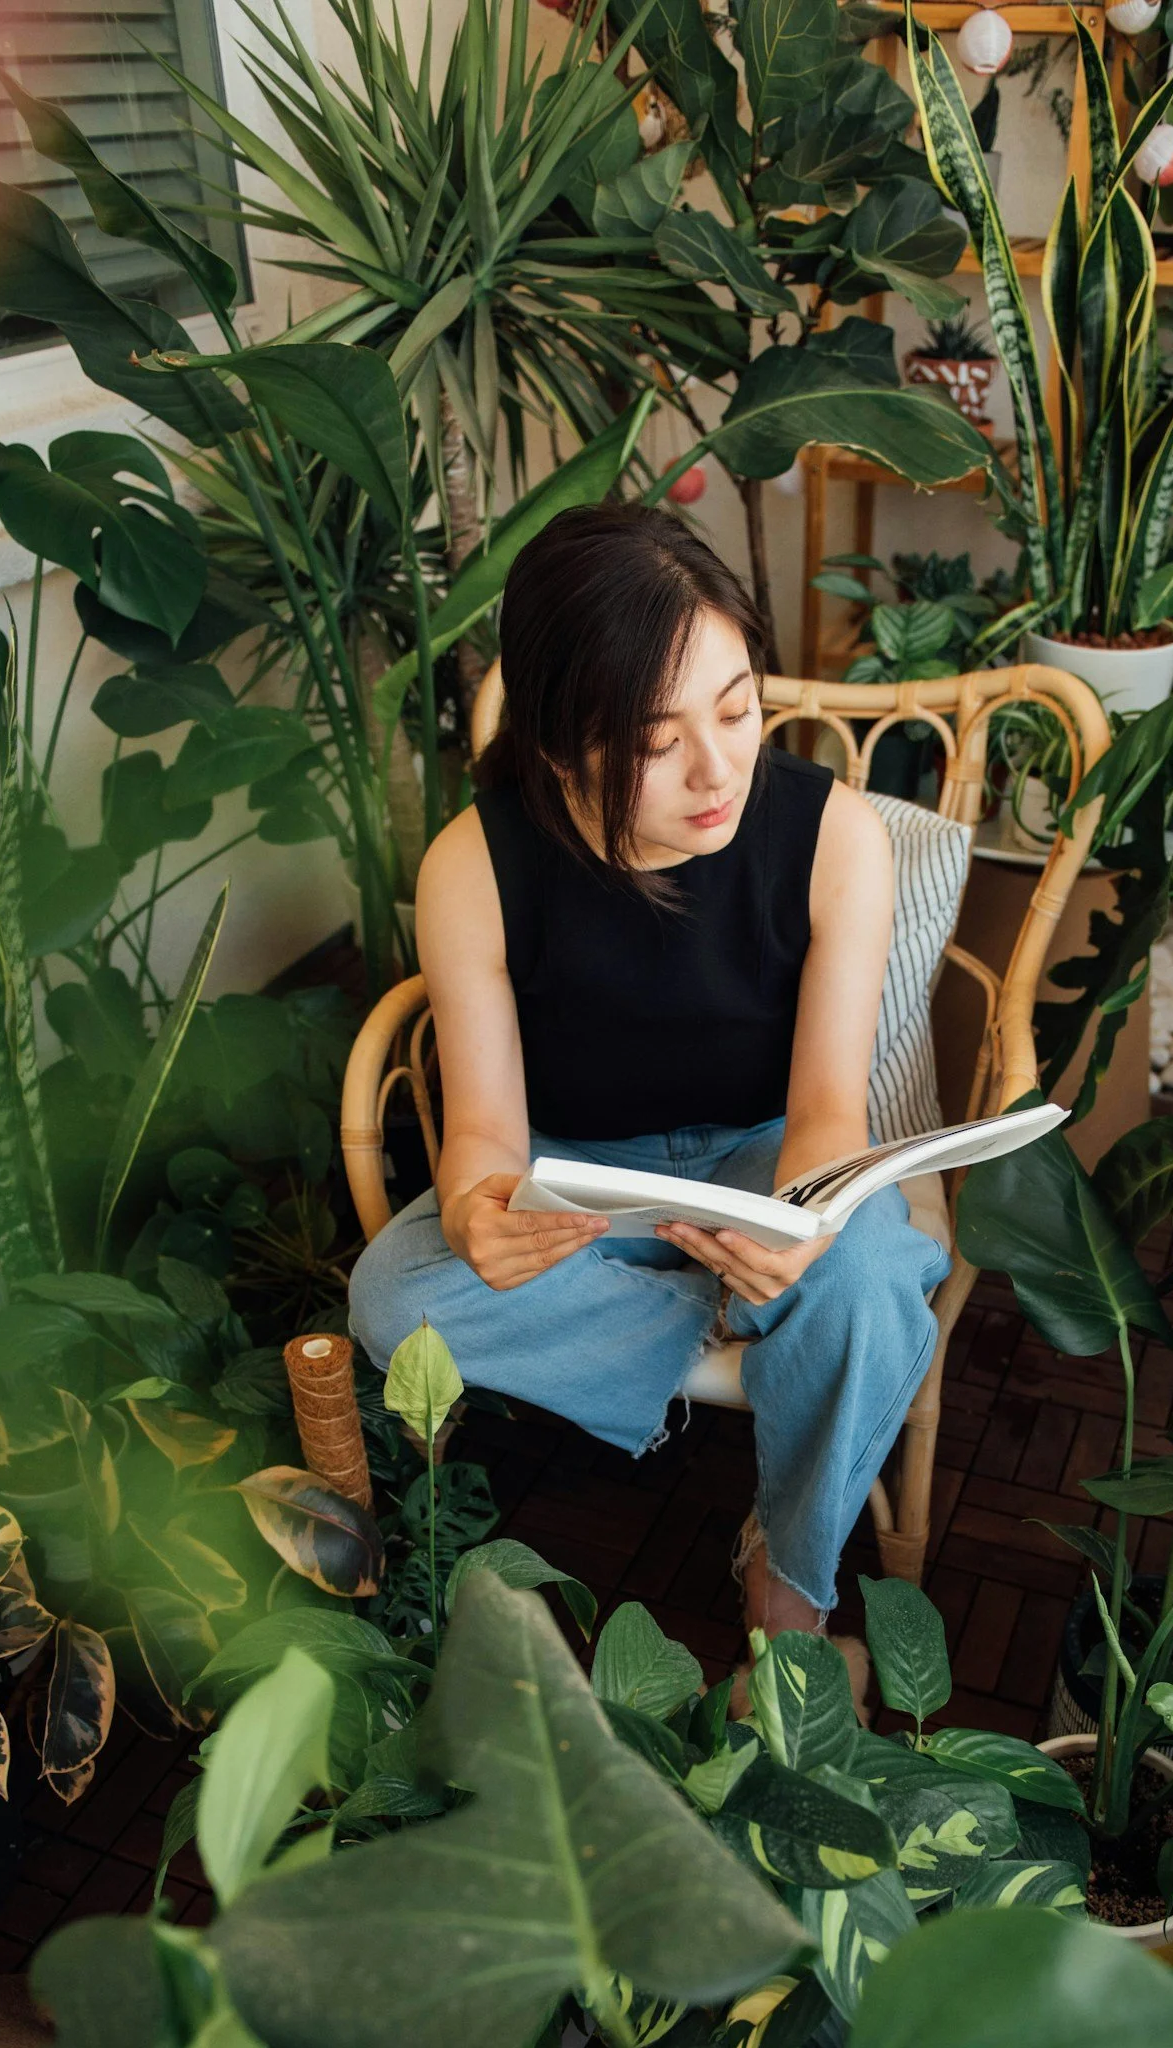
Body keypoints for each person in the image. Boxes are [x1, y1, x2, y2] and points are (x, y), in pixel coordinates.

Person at [348, 503, 947, 1668]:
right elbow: (482, 1133)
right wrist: (479, 1206)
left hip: (765, 1153)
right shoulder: (476, 862)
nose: (718, 769)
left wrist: (806, 1222)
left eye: (737, 708)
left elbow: (830, 1107)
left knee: (869, 1275)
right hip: (581, 1185)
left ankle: (789, 1581)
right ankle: (759, 1324)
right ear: (564, 737)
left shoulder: (835, 838)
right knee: (393, 1298)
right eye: (656, 740)